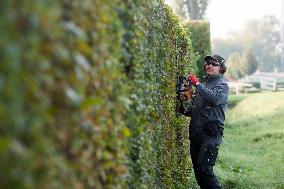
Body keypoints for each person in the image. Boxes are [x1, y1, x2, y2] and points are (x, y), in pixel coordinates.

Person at [179, 54, 229, 189]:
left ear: (221, 68)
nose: (209, 65)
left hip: (210, 135)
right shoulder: (205, 85)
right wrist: (185, 97)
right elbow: (192, 110)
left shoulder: (222, 85)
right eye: (208, 63)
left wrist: (196, 84)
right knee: (199, 172)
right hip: (196, 134)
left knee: (206, 172)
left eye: (214, 64)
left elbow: (216, 99)